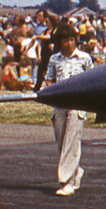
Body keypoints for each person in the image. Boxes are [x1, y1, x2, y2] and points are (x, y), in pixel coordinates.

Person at [44, 26, 93, 196]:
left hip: (77, 104)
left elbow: (92, 78)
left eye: (72, 39)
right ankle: (76, 170)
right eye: (66, 40)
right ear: (60, 43)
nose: (70, 43)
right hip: (59, 105)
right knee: (62, 142)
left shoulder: (84, 58)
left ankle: (67, 182)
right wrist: (52, 91)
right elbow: (48, 79)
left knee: (72, 141)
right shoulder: (54, 59)